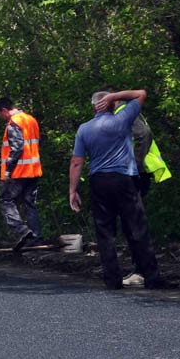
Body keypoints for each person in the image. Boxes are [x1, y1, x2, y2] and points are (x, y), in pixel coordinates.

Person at [69, 89, 171, 290]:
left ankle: (112, 280)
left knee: (105, 232)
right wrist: (115, 96)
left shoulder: (84, 129)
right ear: (112, 104)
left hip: (99, 181)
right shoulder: (122, 119)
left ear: (93, 107)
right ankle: (152, 277)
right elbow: (141, 93)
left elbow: (76, 162)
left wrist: (73, 190)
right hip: (124, 179)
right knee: (137, 228)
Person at [0, 97, 44, 250]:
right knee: (30, 203)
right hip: (34, 170)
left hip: (19, 172)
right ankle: (36, 236)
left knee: (5, 199)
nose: (1, 117)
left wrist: (8, 170)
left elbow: (17, 148)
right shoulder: (30, 120)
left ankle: (21, 231)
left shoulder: (14, 123)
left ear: (4, 110)